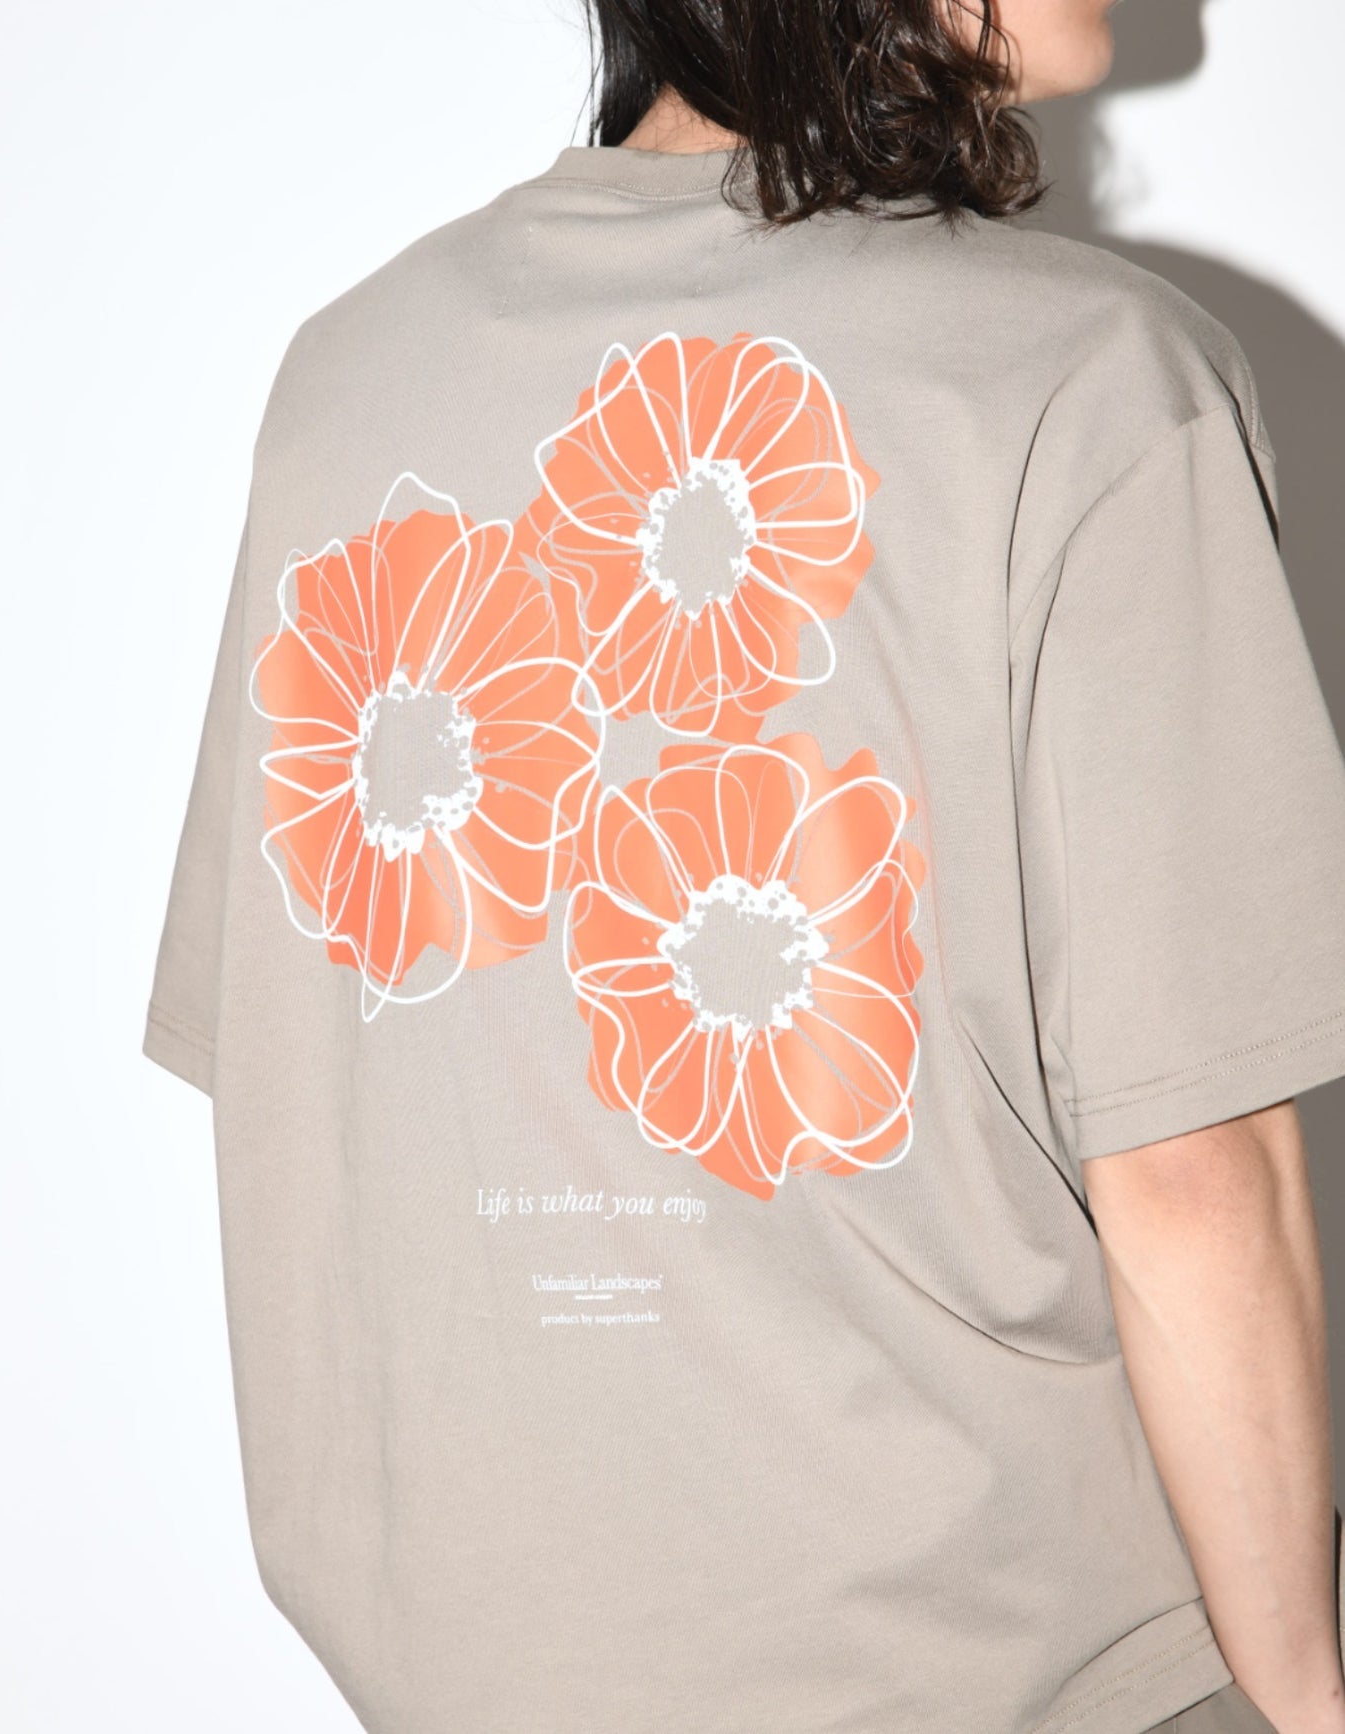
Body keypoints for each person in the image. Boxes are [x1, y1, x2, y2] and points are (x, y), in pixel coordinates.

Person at [140, 1, 1345, 1729]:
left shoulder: (344, 384)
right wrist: (1305, 1693)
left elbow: (292, 1091)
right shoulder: (1095, 387)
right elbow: (1191, 1167)